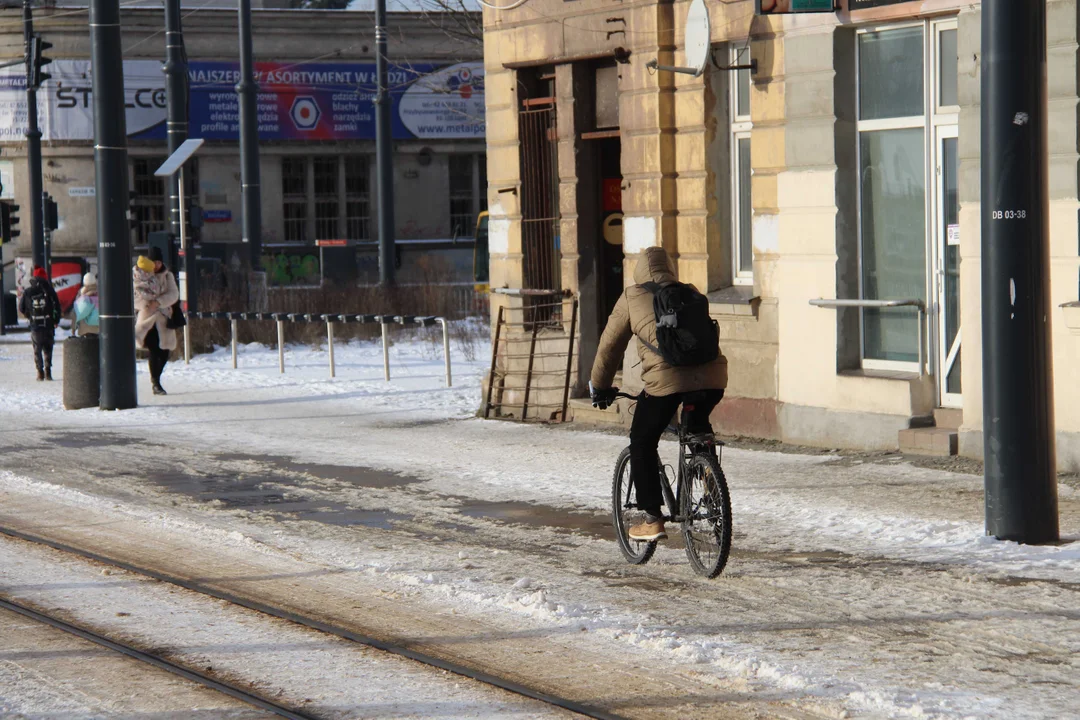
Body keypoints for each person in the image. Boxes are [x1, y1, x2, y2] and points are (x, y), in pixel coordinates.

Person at [589, 246, 728, 542]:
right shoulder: (688, 291)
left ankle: (652, 518)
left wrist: (599, 386)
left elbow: (609, 346)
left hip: (664, 383)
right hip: (712, 379)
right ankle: (713, 492)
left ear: (639, 271)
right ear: (670, 269)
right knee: (697, 424)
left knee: (642, 439)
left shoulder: (632, 296)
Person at [133, 247, 178, 396]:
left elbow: (174, 294)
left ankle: (157, 378)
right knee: (154, 349)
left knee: (165, 351)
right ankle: (156, 382)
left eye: (159, 262)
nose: (157, 265)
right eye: (154, 262)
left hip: (164, 318)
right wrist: (146, 305)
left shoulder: (167, 276)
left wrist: (158, 302)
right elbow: (135, 297)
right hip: (148, 318)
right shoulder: (140, 275)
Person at [19, 266, 62, 381]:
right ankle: (48, 372)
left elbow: (21, 308)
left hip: (35, 325)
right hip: (48, 324)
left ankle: (40, 372)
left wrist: (29, 315)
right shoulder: (50, 290)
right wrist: (56, 320)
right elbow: (57, 306)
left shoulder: (28, 291)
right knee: (48, 348)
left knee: (37, 348)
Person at [74, 271, 100, 336]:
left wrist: (73, 328)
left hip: (84, 329)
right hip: (98, 328)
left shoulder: (80, 295)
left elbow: (76, 312)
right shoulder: (101, 292)